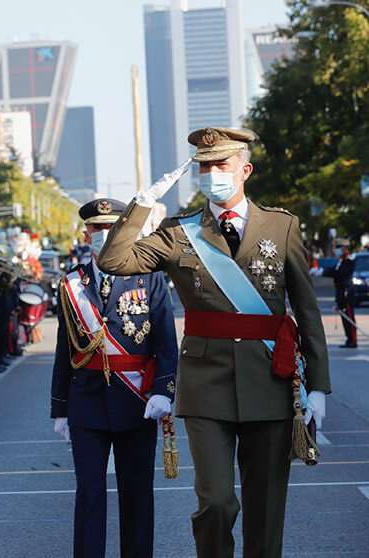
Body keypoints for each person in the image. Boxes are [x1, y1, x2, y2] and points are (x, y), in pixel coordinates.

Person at [98, 127, 330, 558]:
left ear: (245, 169)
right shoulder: (177, 233)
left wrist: (317, 386)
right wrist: (142, 204)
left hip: (270, 381)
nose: (212, 173)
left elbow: (307, 311)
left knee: (265, 508)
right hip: (206, 387)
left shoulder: (281, 226)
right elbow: (113, 261)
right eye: (204, 167)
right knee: (217, 504)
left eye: (220, 165)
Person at [50, 198, 178, 558]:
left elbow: (166, 341)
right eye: (97, 228)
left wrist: (163, 391)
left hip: (137, 402)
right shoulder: (73, 283)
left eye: (111, 228)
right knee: (89, 494)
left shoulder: (149, 277)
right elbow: (64, 350)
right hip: (86, 402)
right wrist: (59, 407)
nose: (103, 234)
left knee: (136, 494)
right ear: (86, 232)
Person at [333, 244, 358, 348]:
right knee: (344, 318)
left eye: (341, 249)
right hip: (341, 294)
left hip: (347, 294)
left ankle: (353, 340)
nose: (338, 251)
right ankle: (349, 339)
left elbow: (342, 275)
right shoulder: (340, 262)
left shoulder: (349, 262)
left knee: (349, 318)